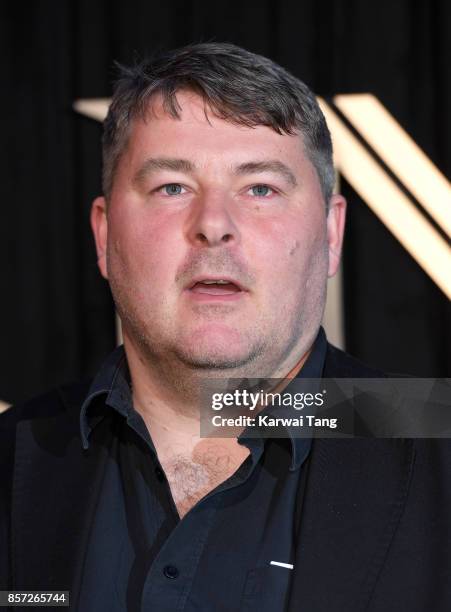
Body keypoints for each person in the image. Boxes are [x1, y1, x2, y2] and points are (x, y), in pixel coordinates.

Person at [1, 42, 450, 612]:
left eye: (260, 188)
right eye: (172, 188)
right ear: (105, 234)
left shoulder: (440, 447)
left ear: (332, 234)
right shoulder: (16, 453)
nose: (213, 225)